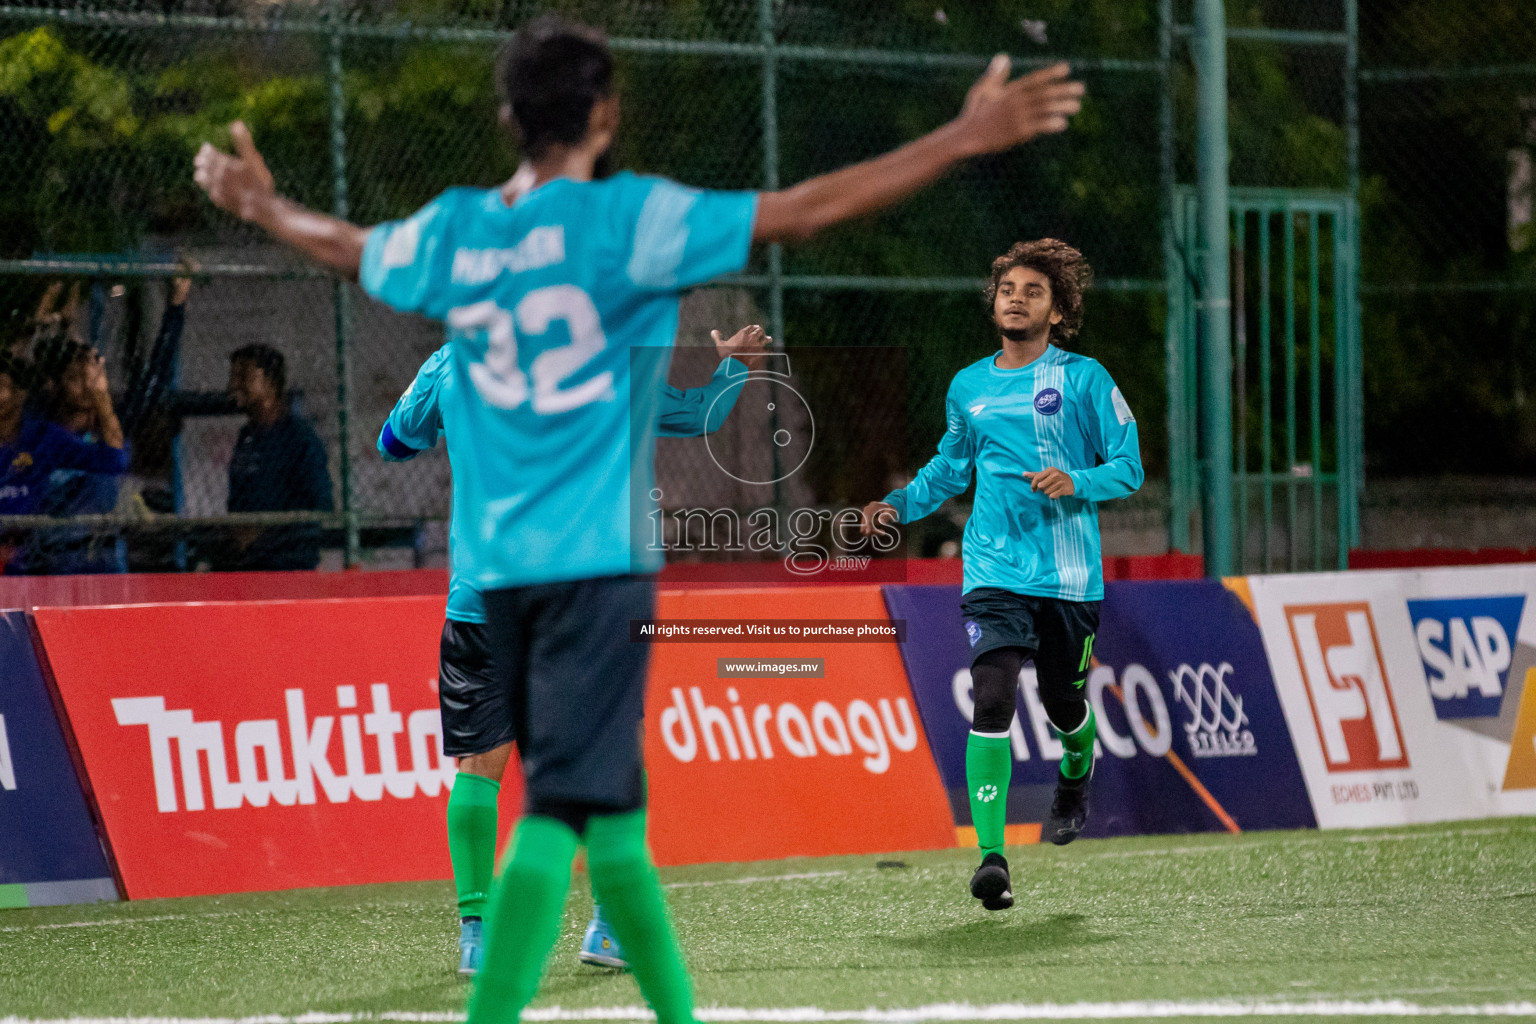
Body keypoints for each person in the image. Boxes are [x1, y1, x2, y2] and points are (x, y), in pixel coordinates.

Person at [193, 14, 1081, 1019]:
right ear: (607, 114)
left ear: (504, 117)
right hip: (599, 567)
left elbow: (350, 248)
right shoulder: (634, 222)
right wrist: (959, 139)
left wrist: (264, 205)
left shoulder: (456, 230)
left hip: (498, 574)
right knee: (574, 812)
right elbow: (801, 210)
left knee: (605, 813)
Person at [380, 323, 769, 977]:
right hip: (576, 601)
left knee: (479, 767)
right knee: (616, 755)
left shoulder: (451, 362)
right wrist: (732, 368)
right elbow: (701, 415)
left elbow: (394, 441)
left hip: (480, 600)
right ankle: (611, 926)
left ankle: (476, 933)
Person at [861, 239, 1143, 912]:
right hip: (991, 569)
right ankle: (991, 859)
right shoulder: (969, 386)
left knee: (1063, 705)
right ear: (993, 301)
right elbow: (951, 470)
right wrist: (896, 505)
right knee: (992, 695)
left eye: (1033, 291)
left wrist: (1077, 478)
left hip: (1070, 579)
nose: (1016, 297)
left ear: (1058, 310)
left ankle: (1077, 771)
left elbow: (1128, 467)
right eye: (1007, 288)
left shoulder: (1085, 379)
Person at [0, 350, 130, 573]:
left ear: (19, 394)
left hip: (25, 563)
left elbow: (113, 459)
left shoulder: (42, 437)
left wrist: (101, 395)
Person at [217, 343, 334, 571]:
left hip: (287, 564)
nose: (233, 386)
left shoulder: (299, 439)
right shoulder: (247, 436)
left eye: (243, 377)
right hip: (248, 562)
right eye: (233, 377)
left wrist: (263, 534)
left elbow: (319, 505)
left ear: (270, 384)